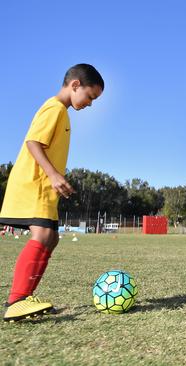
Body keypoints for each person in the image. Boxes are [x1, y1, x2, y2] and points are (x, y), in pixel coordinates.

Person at [1, 64, 104, 322]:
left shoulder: (62, 112)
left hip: (44, 187)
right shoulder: (55, 108)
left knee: (52, 238)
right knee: (44, 234)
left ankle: (24, 299)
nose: (90, 104)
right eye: (90, 96)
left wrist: (56, 178)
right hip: (34, 183)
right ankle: (17, 300)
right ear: (75, 85)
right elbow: (33, 142)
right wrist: (54, 174)